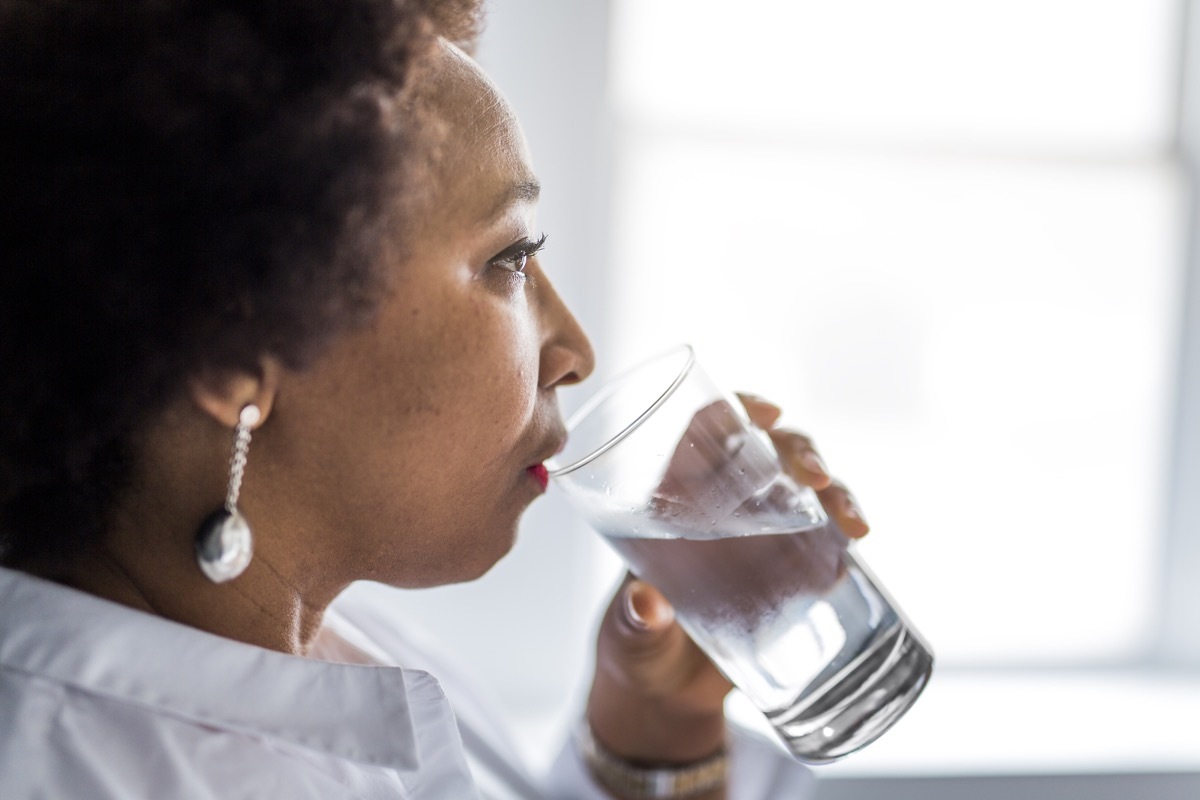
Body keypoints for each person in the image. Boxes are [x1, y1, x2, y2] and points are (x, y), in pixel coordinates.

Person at [0, 1, 871, 797]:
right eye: (510, 259)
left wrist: (650, 736)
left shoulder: (361, 654)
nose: (573, 350)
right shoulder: (66, 773)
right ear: (236, 356)